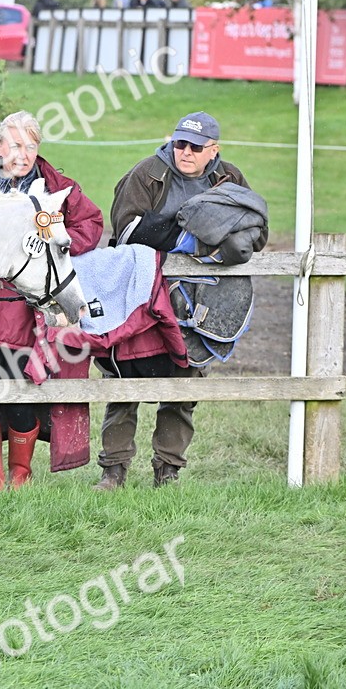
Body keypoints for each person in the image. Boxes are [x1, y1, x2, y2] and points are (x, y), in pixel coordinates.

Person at [95, 112, 266, 490]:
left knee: (186, 378)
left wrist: (202, 238)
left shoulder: (230, 178)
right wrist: (196, 238)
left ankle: (168, 469)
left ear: (214, 150)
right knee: (126, 375)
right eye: (180, 144)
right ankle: (114, 470)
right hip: (142, 293)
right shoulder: (147, 174)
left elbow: (253, 233)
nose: (186, 152)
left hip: (202, 297)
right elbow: (128, 231)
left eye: (196, 147)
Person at [0, 111, 104, 488]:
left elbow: (91, 224)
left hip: (30, 310)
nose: (23, 154)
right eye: (15, 145)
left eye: (31, 146)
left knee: (21, 384)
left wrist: (56, 247)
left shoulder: (58, 188)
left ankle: (20, 476)